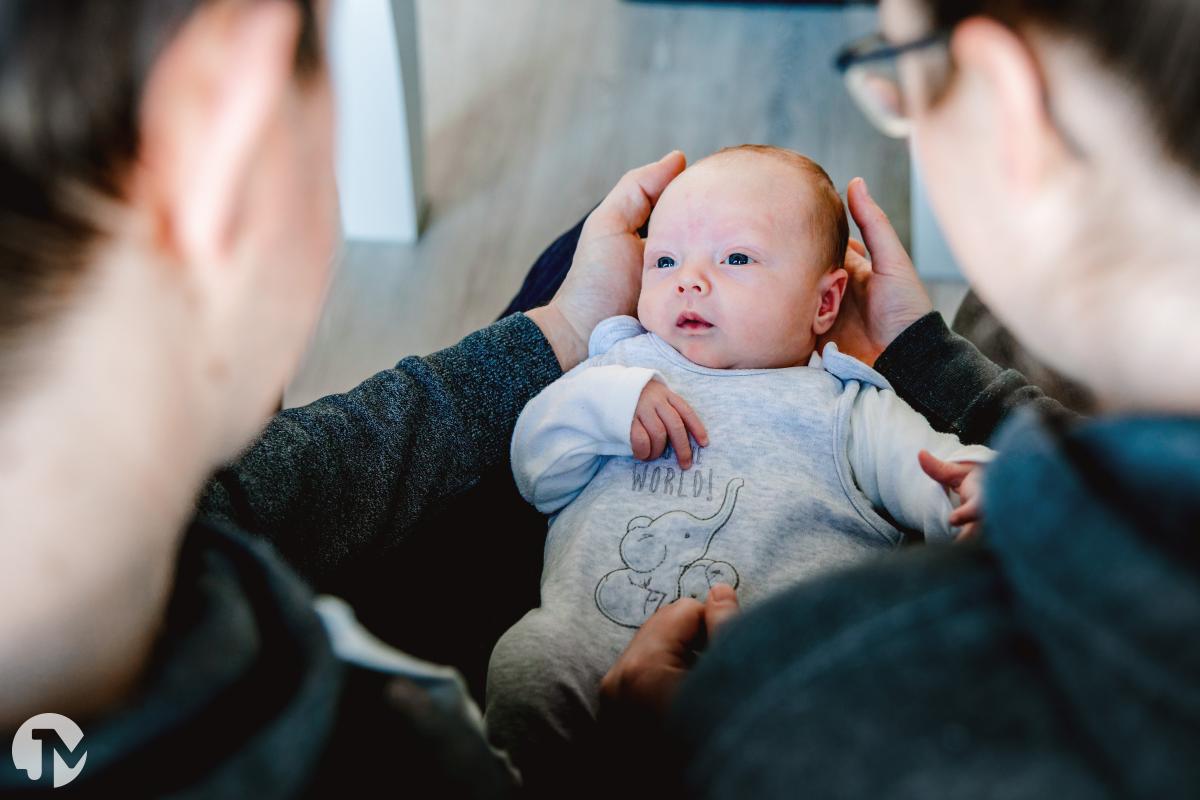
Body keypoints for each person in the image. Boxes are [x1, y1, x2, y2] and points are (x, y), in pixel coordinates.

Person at [0, 1, 692, 795]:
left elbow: (249, 497)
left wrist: (562, 329)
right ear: (226, 124)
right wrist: (636, 765)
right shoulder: (384, 763)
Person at [595, 0, 1200, 796]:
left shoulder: (795, 702)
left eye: (899, 71)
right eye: (666, 261)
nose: (687, 279)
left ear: (1005, 102)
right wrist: (927, 357)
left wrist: (665, 762)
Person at [484, 145, 992, 786]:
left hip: (779, 679)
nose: (688, 280)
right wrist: (608, 407)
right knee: (527, 662)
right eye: (664, 260)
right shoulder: (618, 365)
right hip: (586, 649)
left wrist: (977, 488)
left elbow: (930, 466)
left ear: (825, 303)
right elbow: (534, 465)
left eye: (736, 258)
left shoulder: (846, 404)